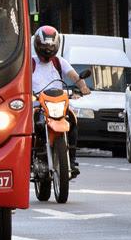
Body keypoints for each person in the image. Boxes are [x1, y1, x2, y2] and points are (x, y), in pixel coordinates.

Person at [31, 25, 91, 176]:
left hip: (59, 105)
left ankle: (71, 160)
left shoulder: (59, 62)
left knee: (72, 120)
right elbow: (20, 80)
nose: (48, 48)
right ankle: (31, 158)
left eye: (51, 45)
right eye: (44, 45)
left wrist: (83, 87)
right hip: (38, 106)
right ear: (38, 45)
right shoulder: (30, 63)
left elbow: (74, 76)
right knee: (31, 127)